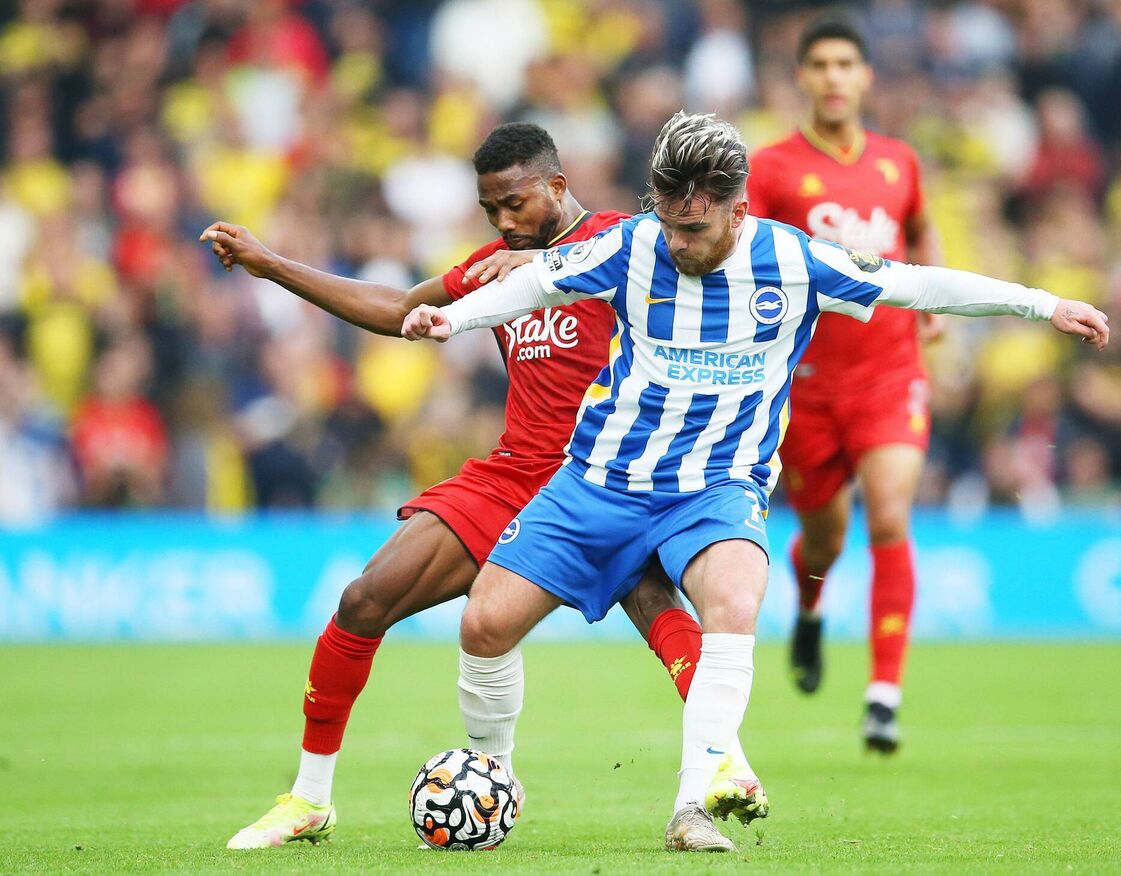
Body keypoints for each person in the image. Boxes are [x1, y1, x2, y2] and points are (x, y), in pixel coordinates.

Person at [401, 111, 1108, 852]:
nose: (678, 243)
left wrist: (1044, 305)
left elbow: (918, 284)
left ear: (738, 212)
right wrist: (453, 322)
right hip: (602, 479)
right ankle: (496, 778)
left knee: (735, 603)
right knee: (484, 625)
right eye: (669, 223)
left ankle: (692, 810)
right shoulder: (633, 245)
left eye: (694, 230)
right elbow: (537, 284)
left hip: (716, 487)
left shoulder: (796, 260)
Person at [204, 123, 746, 850]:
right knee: (364, 599)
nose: (504, 222)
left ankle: (722, 774)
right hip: (514, 473)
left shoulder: (630, 242)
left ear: (557, 186)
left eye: (515, 203)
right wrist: (273, 266)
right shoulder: (495, 266)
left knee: (658, 608)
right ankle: (309, 799)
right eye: (491, 209)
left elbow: (710, 263)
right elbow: (400, 309)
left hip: (609, 476)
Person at [747, 18, 943, 752]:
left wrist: (931, 301)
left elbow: (921, 232)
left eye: (845, 64)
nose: (833, 77)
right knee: (824, 541)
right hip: (808, 387)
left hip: (890, 374)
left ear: (865, 77)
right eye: (820, 64)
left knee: (889, 513)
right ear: (802, 77)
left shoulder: (899, 162)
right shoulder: (771, 168)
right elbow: (746, 254)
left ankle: (883, 696)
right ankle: (809, 611)